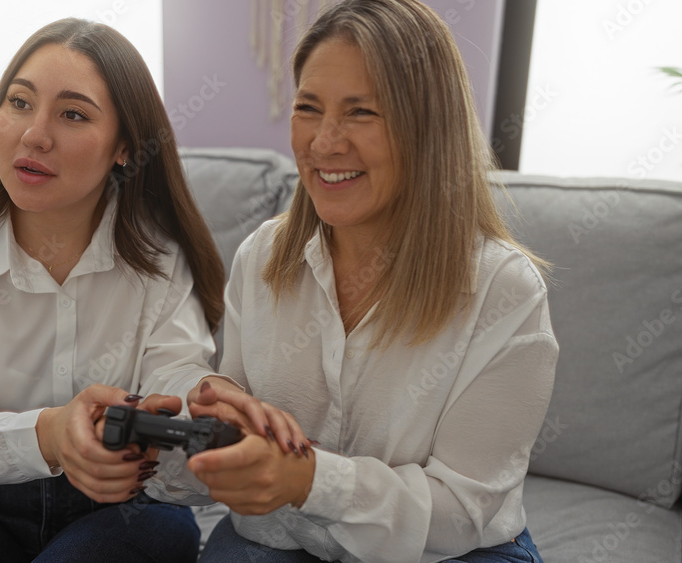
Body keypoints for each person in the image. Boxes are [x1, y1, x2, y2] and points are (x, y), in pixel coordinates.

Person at [180, 1, 559, 561]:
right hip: (279, 540)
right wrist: (209, 416)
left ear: (428, 128)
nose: (324, 142)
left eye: (361, 112)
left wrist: (310, 481)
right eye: (308, 108)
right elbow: (229, 419)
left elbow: (460, 513)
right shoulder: (261, 257)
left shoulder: (505, 291)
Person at [0, 18, 227, 563]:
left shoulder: (159, 259)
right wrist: (52, 434)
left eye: (73, 114)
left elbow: (176, 374)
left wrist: (191, 404)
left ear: (124, 147)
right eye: (19, 103)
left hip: (128, 505)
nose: (34, 134)